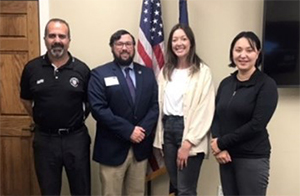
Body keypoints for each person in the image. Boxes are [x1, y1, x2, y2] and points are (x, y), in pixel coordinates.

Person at [20, 18, 91, 195]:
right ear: (45, 39)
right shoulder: (32, 68)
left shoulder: (82, 69)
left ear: (68, 40)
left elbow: (89, 103)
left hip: (76, 138)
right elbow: (26, 100)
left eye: (62, 36)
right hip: (45, 140)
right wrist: (43, 118)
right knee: (49, 191)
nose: (57, 40)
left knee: (81, 190)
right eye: (52, 36)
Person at [88, 29, 158, 196]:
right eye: (119, 44)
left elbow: (155, 106)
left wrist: (141, 131)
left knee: (137, 193)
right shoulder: (99, 74)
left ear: (134, 47)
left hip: (139, 149)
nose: (124, 48)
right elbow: (98, 109)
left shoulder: (147, 74)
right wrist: (129, 131)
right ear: (112, 47)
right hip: (112, 149)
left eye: (128, 44)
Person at [211, 31, 278, 196]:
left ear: (258, 54)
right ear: (232, 53)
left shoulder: (266, 85)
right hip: (226, 158)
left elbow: (257, 125)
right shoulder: (226, 84)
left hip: (252, 158)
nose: (243, 55)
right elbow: (217, 116)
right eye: (238, 49)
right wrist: (219, 148)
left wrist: (221, 143)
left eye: (249, 50)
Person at [153, 23, 215, 196]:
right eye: (174, 40)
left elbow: (205, 110)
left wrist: (188, 143)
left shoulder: (203, 72)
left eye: (183, 39)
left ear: (191, 42)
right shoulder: (166, 71)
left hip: (189, 132)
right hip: (168, 130)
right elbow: (159, 105)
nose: (178, 43)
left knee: (186, 189)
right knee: (176, 184)